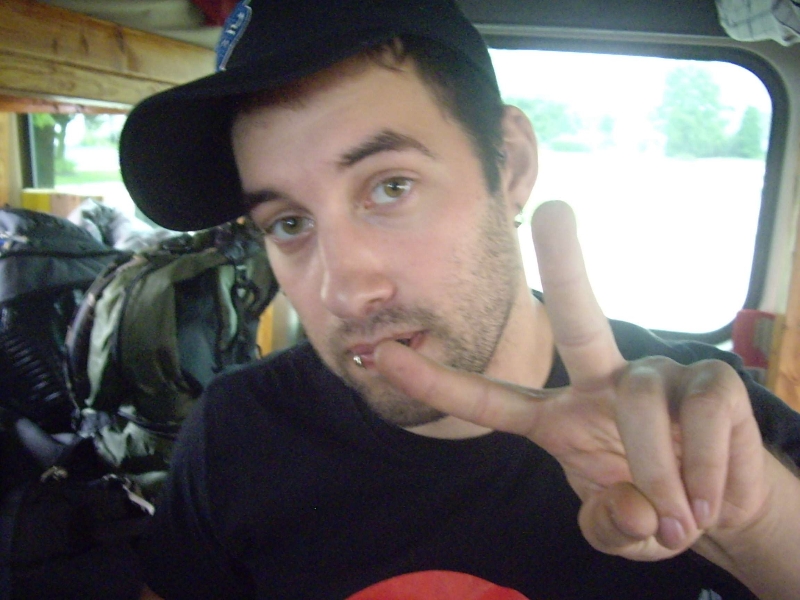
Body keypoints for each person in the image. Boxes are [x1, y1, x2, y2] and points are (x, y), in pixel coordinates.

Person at [118, 0, 800, 598]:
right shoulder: (237, 432)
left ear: (510, 164)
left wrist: (757, 528)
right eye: (290, 223)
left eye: (391, 187)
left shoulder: (705, 431)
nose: (344, 292)